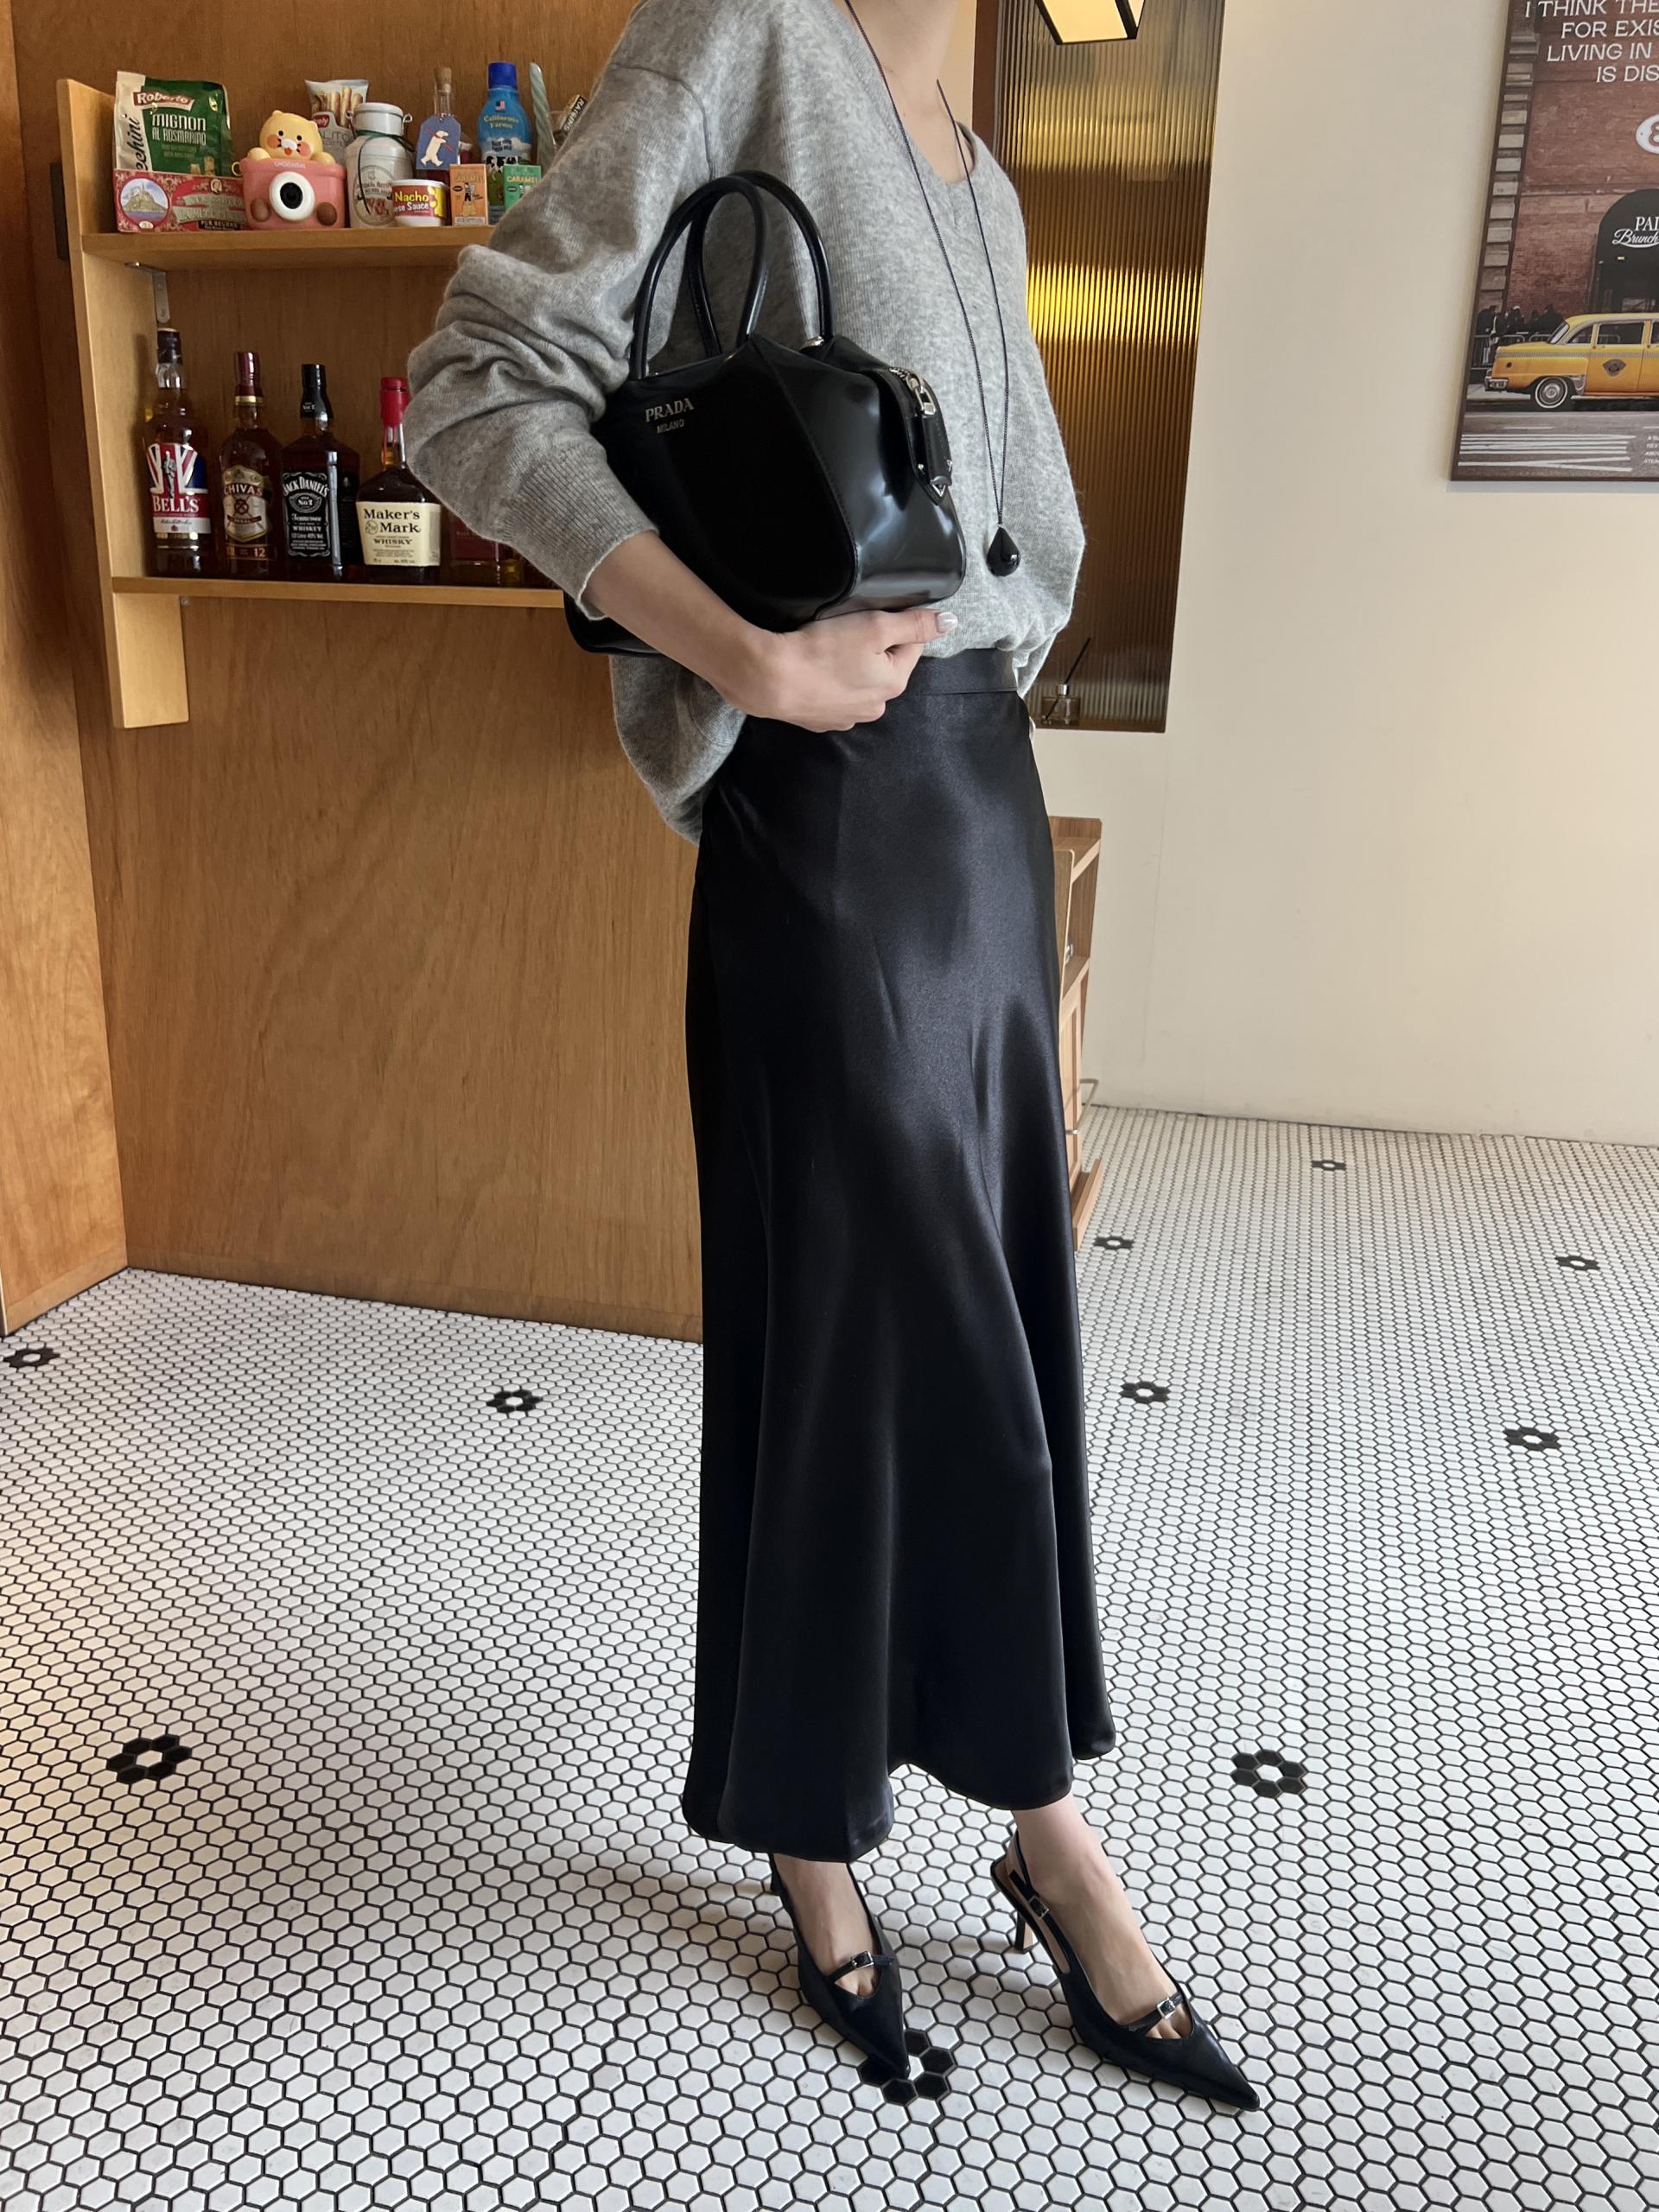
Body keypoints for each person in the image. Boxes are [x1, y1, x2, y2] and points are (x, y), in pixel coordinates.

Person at [404, 0, 1257, 2113]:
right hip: (830, 812)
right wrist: (744, 653)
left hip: (975, 807)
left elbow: (1010, 543)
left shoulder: (984, 167)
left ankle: (1036, 1822)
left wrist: (949, 686)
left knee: (1003, 1313)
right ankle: (851, 1830)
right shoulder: (749, 33)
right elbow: (474, 381)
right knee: (866, 1329)